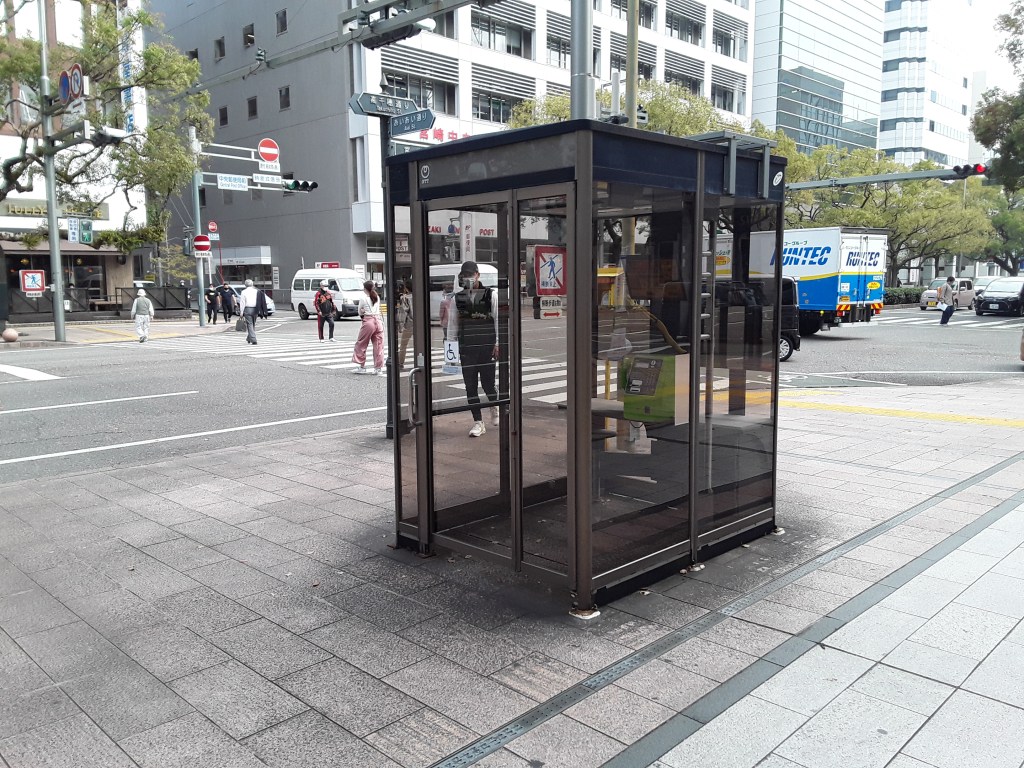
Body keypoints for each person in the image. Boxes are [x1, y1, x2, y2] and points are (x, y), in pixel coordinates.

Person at [447, 261, 499, 437]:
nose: (468, 278)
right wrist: (451, 352)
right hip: (466, 348)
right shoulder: (457, 298)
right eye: (465, 275)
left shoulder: (490, 295)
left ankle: (494, 406)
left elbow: (498, 320)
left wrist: (498, 343)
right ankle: (478, 422)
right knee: (470, 387)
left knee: (488, 385)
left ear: (478, 275)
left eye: (471, 274)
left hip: (486, 347)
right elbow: (452, 326)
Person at [351, 280, 385, 374]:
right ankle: (378, 368)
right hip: (378, 321)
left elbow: (360, 311)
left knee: (361, 343)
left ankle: (362, 366)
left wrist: (363, 312)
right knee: (378, 345)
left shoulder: (363, 298)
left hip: (368, 321)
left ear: (365, 288)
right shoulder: (377, 297)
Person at [396, 279, 413, 367]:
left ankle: (400, 362)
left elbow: (403, 313)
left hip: (409, 324)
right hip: (420, 324)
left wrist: (400, 326)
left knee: (403, 345)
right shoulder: (420, 295)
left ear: (406, 288)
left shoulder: (405, 298)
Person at [238, 279, 260, 345]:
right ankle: (249, 338)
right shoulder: (256, 291)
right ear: (252, 284)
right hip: (255, 308)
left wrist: (241, 312)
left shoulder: (244, 292)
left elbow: (242, 302)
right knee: (253, 324)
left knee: (250, 324)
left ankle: (253, 339)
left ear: (245, 285)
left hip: (247, 308)